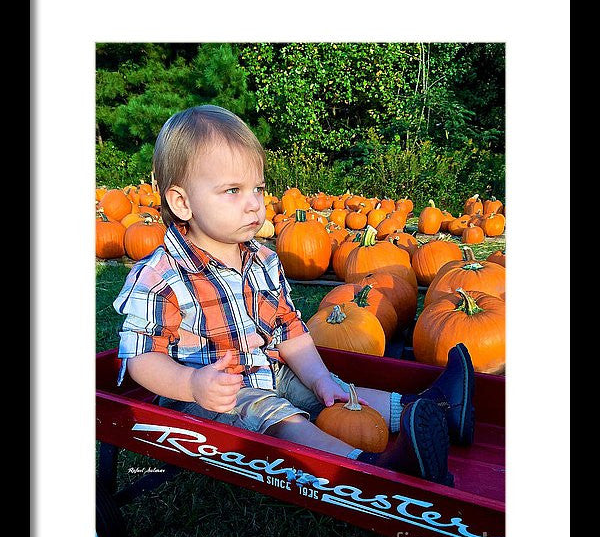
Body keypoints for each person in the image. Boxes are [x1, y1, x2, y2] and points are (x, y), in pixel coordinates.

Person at [113, 105, 475, 487]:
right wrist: (192, 385)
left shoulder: (263, 259)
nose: (254, 203)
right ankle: (371, 468)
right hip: (209, 397)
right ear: (182, 202)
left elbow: (289, 329)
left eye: (258, 188)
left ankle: (439, 410)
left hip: (269, 371)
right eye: (233, 191)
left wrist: (320, 379)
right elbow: (141, 358)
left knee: (330, 389)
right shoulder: (161, 275)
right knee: (277, 414)